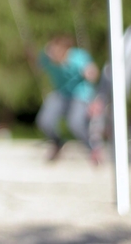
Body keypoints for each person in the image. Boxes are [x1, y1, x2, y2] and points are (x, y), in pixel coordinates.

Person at [35, 34, 104, 164]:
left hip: (80, 95)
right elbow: (38, 64)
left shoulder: (78, 58)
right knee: (44, 121)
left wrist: (90, 75)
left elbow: (93, 72)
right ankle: (57, 143)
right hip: (61, 94)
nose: (51, 55)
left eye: (54, 52)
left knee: (75, 124)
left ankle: (93, 148)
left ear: (64, 52)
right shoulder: (47, 57)